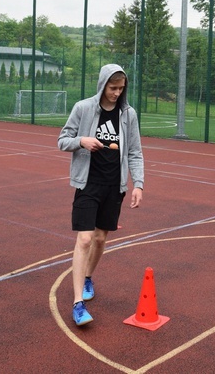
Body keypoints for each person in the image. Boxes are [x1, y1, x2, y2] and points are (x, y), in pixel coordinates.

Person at [57, 64, 144, 327]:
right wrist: (82, 140)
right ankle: (77, 304)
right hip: (88, 184)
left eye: (121, 88)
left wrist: (138, 183)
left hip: (113, 186)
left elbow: (134, 152)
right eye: (112, 87)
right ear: (103, 84)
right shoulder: (83, 108)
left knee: (100, 238)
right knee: (84, 239)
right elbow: (62, 140)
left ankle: (87, 278)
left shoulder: (128, 115)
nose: (117, 93)